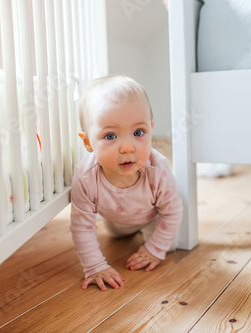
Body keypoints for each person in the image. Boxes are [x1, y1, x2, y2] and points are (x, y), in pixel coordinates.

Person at [70, 75, 183, 291]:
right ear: (87, 142)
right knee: (115, 235)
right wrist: (95, 267)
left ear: (150, 130)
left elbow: (172, 211)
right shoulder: (85, 177)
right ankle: (128, 232)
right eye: (111, 136)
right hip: (114, 222)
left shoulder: (157, 169)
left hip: (153, 217)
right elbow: (82, 227)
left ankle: (151, 239)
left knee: (172, 244)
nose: (127, 147)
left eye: (138, 133)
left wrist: (154, 249)